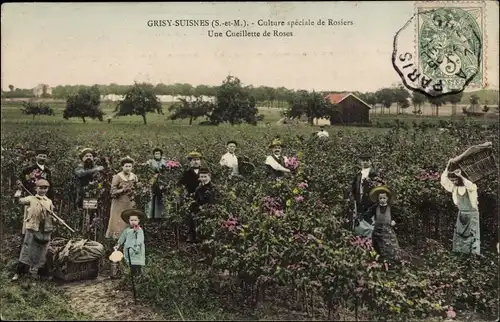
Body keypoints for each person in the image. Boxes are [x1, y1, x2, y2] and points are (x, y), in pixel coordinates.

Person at [12, 179, 55, 281]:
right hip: (32, 228)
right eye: (41, 188)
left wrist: (55, 219)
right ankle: (18, 273)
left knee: (42, 253)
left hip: (45, 230)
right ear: (36, 188)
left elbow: (52, 215)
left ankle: (39, 275)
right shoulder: (31, 198)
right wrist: (19, 190)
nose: (43, 190)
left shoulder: (49, 201)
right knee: (26, 251)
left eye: (45, 188)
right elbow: (17, 201)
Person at [440, 161, 480, 255]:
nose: (454, 182)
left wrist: (461, 175)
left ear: (460, 179)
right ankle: (461, 257)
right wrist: (447, 167)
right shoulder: (455, 188)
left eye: (456, 180)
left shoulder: (470, 187)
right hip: (461, 214)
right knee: (460, 236)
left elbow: (470, 185)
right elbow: (444, 181)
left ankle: (472, 258)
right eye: (453, 180)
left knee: (472, 236)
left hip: (472, 214)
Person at [16, 147, 53, 235]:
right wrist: (20, 186)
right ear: (36, 157)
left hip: (44, 198)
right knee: (29, 217)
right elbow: (20, 181)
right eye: (40, 156)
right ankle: (26, 237)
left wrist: (50, 197)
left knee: (42, 218)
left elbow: (50, 185)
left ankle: (39, 238)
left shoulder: (47, 171)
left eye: (44, 156)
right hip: (31, 196)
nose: (42, 158)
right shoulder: (28, 169)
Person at [362, 186, 401, 262]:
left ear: (387, 198)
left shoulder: (391, 208)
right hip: (377, 231)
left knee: (392, 248)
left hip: (388, 231)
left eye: (384, 198)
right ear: (378, 199)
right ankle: (379, 262)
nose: (382, 200)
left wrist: (394, 221)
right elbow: (366, 216)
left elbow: (399, 217)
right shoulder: (375, 207)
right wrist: (371, 222)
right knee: (378, 247)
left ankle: (391, 262)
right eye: (380, 198)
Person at [106, 156, 138, 239]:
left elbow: (137, 188)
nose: (128, 168)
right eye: (126, 166)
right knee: (118, 220)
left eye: (130, 166)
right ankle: (117, 239)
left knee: (129, 218)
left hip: (130, 202)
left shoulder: (134, 176)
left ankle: (129, 237)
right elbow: (112, 192)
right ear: (122, 167)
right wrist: (122, 190)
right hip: (119, 202)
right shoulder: (117, 177)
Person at [188, 167, 217, 242]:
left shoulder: (213, 188)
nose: (203, 179)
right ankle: (194, 235)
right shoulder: (199, 188)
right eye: (201, 177)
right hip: (200, 209)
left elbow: (213, 201)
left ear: (209, 177)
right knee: (192, 215)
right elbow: (196, 200)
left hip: (211, 209)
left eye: (205, 177)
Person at [114, 209, 146, 277]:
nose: (133, 222)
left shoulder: (139, 230)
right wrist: (118, 244)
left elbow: (140, 239)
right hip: (128, 249)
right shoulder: (127, 230)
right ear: (129, 221)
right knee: (130, 263)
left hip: (136, 250)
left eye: (135, 220)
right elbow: (122, 238)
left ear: (138, 221)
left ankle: (138, 276)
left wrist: (137, 246)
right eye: (131, 220)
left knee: (136, 264)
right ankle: (132, 276)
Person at [351, 153, 383, 219]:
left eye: (367, 160)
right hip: (359, 201)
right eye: (363, 160)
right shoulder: (358, 175)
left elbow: (380, 187)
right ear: (360, 162)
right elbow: (354, 189)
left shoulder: (374, 173)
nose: (365, 162)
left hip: (371, 202)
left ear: (370, 161)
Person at [145, 148, 167, 220]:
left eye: (159, 154)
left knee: (161, 197)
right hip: (152, 180)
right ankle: (150, 216)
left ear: (161, 155)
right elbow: (147, 170)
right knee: (151, 197)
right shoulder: (150, 162)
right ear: (153, 155)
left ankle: (160, 215)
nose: (157, 155)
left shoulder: (165, 162)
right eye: (156, 154)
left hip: (162, 181)